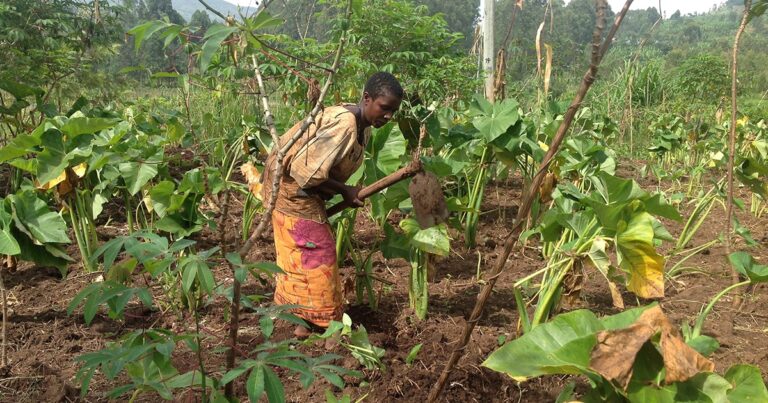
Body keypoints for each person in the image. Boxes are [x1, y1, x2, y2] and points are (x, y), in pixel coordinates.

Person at [261, 72, 403, 336]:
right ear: (367, 98)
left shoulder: (364, 127)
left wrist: (341, 191)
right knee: (318, 254)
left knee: (301, 256)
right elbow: (304, 171)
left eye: (394, 111)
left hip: (306, 190)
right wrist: (345, 191)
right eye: (385, 108)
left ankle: (303, 324)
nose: (389, 116)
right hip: (290, 189)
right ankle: (328, 325)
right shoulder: (345, 125)